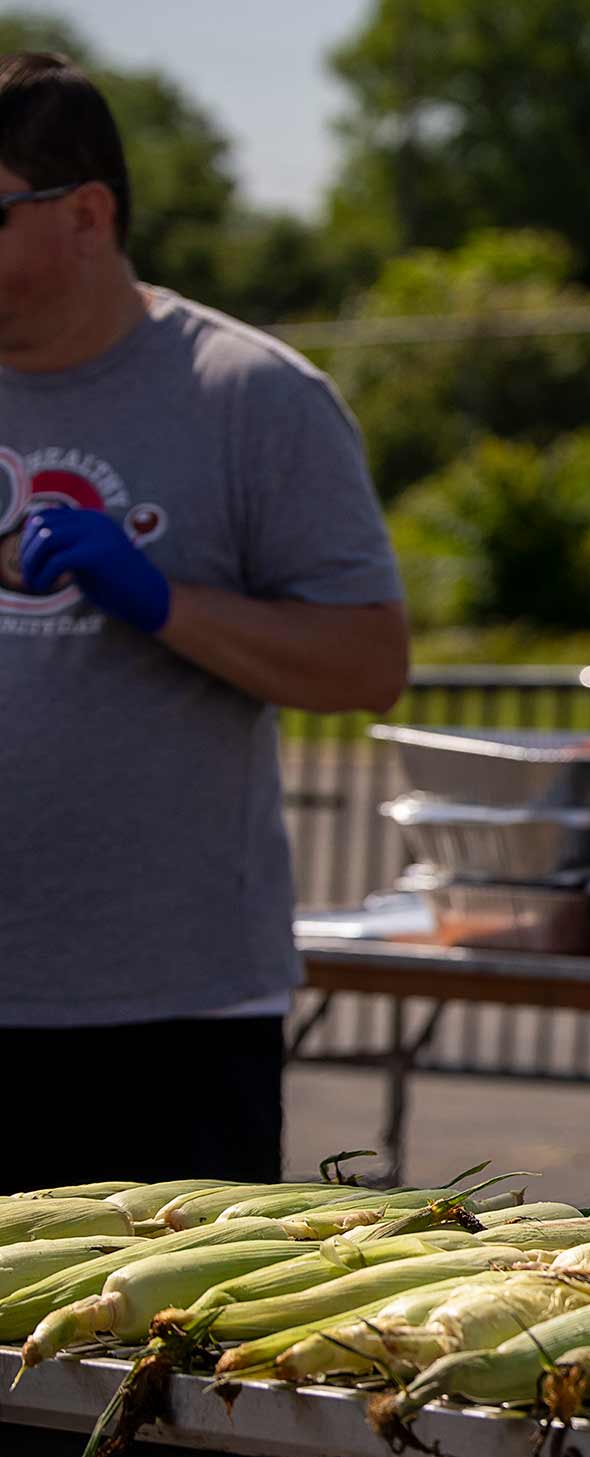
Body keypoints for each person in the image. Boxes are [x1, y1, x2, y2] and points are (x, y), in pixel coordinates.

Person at [0, 54, 408, 1191]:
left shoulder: (251, 395)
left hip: (167, 1018)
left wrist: (166, 603)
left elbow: (371, 661)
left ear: (86, 214)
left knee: (135, 1370)